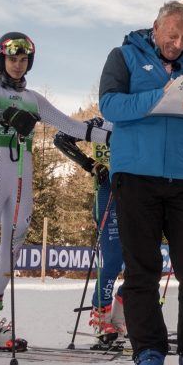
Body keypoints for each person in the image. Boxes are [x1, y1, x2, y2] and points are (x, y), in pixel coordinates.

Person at [0, 32, 112, 353]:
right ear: (1, 60)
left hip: (21, 173)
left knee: (13, 246)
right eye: (12, 59)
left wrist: (117, 133)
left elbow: (74, 127)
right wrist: (8, 117)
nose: (17, 65)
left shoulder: (33, 99)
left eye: (23, 60)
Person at [99, 1, 183, 365]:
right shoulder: (123, 57)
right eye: (172, 34)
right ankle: (148, 350)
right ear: (155, 27)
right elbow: (110, 105)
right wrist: (160, 95)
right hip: (135, 176)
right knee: (143, 270)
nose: (178, 42)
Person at [53, 121, 126, 345]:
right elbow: (61, 138)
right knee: (113, 261)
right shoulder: (99, 124)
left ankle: (120, 317)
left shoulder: (138, 121)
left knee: (141, 264)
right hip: (109, 194)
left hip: (138, 193)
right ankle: (101, 318)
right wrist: (90, 164)